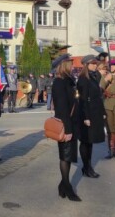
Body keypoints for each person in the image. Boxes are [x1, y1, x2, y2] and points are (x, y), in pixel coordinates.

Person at [51, 53, 81, 202]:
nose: (73, 65)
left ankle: (62, 185)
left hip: (72, 124)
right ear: (64, 65)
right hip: (65, 125)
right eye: (70, 63)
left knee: (68, 156)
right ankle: (67, 187)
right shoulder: (59, 82)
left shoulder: (69, 81)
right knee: (65, 155)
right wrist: (68, 130)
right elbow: (62, 108)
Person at [77, 55, 106, 178]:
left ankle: (87, 167)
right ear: (86, 65)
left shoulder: (94, 77)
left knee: (91, 141)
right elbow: (83, 100)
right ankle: (87, 167)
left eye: (96, 63)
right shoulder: (83, 79)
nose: (96, 65)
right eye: (93, 63)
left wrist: (103, 112)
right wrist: (86, 117)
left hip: (95, 113)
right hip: (87, 114)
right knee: (86, 141)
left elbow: (98, 97)